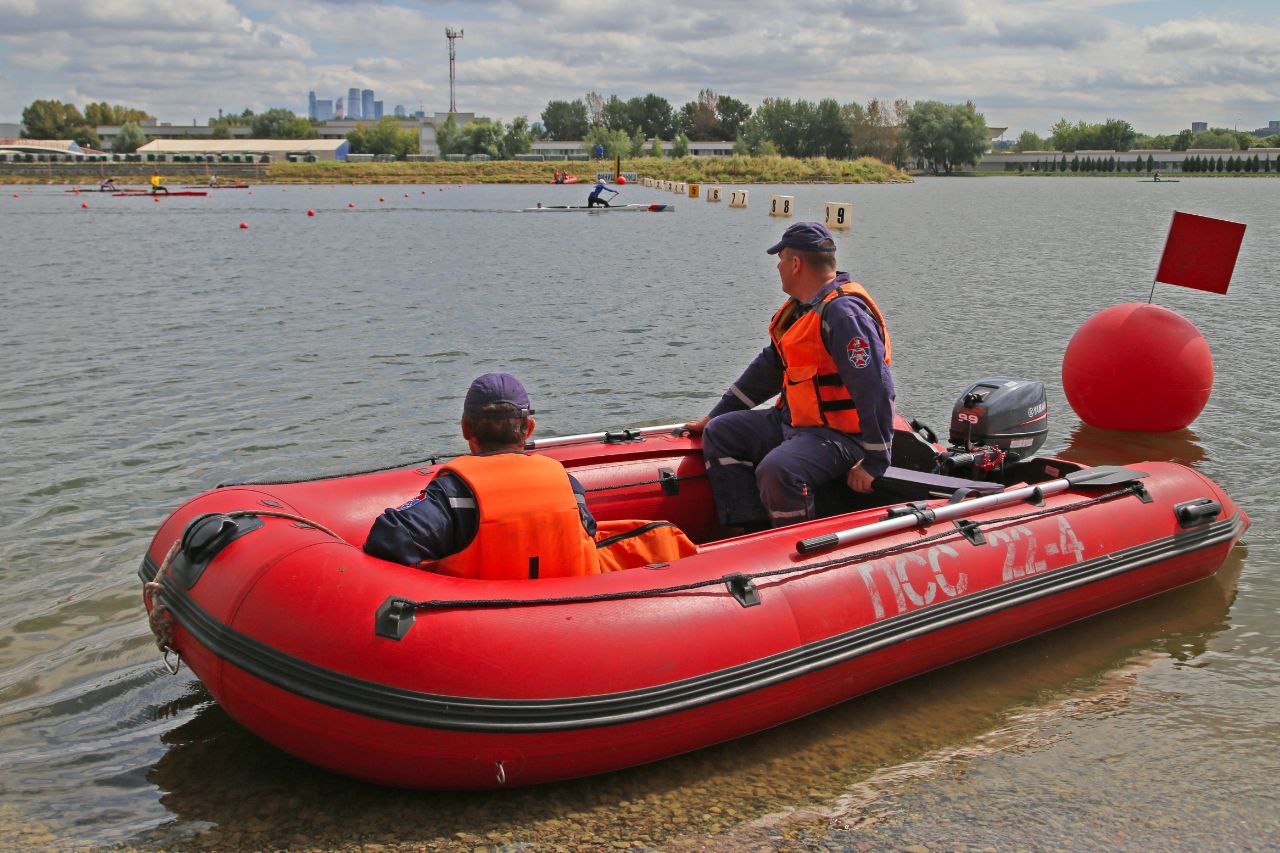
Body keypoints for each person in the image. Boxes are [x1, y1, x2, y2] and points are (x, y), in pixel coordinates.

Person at [684, 221, 896, 530]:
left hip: (842, 436)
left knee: (779, 469)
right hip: (796, 423)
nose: (778, 267)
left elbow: (874, 387)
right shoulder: (801, 309)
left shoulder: (844, 315)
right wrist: (715, 415)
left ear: (795, 263)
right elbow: (769, 367)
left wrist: (876, 460)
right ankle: (747, 530)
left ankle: (796, 549)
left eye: (780, 259)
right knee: (721, 432)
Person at [364, 373, 601, 578]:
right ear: (529, 429)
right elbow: (587, 531)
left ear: (465, 429)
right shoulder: (569, 486)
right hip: (567, 618)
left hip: (482, 621)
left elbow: (388, 538)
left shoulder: (452, 495)